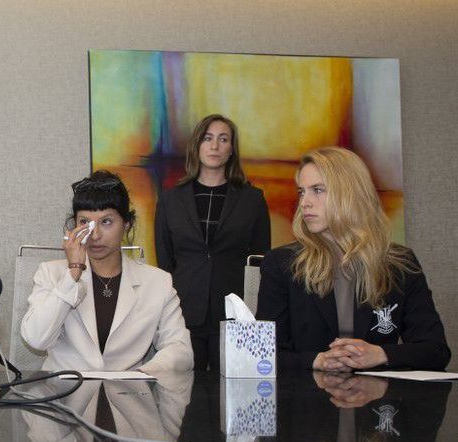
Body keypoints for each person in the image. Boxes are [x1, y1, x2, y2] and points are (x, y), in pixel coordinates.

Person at [256, 146, 450, 371]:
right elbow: (265, 355)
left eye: (317, 190)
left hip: (378, 403)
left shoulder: (400, 264)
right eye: (302, 191)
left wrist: (380, 354)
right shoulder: (281, 264)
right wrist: (318, 360)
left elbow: (435, 351)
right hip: (308, 400)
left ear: (350, 193)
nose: (304, 202)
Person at [20, 170, 193, 391]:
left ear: (127, 224)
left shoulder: (158, 282)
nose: (95, 235)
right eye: (85, 222)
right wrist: (73, 273)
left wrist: (140, 377)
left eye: (107, 222)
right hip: (62, 401)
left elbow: (180, 349)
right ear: (74, 226)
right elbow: (36, 340)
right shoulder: (51, 273)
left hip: (127, 400)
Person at [155, 114, 271, 372]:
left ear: (232, 150)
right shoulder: (170, 200)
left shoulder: (252, 200)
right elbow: (165, 261)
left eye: (223, 139)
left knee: (232, 393)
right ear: (197, 146)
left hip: (233, 313)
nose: (215, 146)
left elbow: (260, 261)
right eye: (207, 138)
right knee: (186, 398)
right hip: (183, 312)